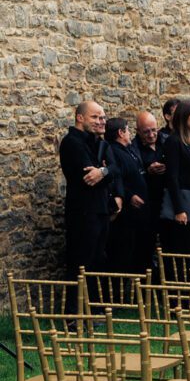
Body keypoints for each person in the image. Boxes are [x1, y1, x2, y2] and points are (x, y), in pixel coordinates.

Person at [59, 101, 123, 298]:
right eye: (95, 117)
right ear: (80, 118)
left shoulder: (99, 143)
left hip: (101, 210)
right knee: (80, 263)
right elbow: (89, 177)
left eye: (102, 117)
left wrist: (103, 170)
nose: (101, 121)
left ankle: (92, 311)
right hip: (83, 212)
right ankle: (74, 315)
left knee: (97, 262)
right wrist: (106, 172)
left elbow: (116, 168)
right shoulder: (72, 142)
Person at [160, 99, 190, 255]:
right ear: (183, 116)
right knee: (181, 249)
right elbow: (172, 177)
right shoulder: (174, 142)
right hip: (183, 203)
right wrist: (179, 209)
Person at [105, 116, 148, 274]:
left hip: (137, 215)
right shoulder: (113, 151)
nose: (130, 133)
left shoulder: (127, 150)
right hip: (126, 216)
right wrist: (129, 196)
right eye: (128, 130)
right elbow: (118, 178)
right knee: (121, 256)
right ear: (121, 133)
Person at [134, 110, 166, 275]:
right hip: (147, 204)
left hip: (166, 200)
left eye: (154, 130)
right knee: (146, 245)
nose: (152, 134)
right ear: (138, 131)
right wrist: (148, 171)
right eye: (146, 132)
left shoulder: (165, 142)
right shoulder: (134, 148)